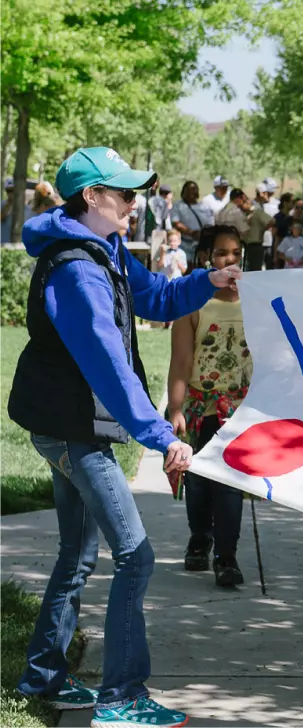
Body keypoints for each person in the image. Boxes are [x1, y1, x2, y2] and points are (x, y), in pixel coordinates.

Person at [8, 147, 240, 727]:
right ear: (93, 197)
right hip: (72, 433)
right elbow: (108, 366)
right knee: (135, 555)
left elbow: (156, 298)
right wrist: (163, 437)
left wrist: (208, 279)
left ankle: (44, 676)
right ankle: (121, 698)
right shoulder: (77, 271)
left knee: (77, 554)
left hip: (69, 426)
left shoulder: (104, 249)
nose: (136, 204)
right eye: (126, 194)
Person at [166, 226, 252, 588]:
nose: (229, 260)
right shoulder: (194, 302)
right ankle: (200, 536)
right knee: (199, 480)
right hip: (201, 404)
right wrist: (175, 407)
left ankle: (227, 557)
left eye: (235, 253)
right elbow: (181, 360)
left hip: (241, 406)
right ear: (206, 258)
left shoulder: (257, 299)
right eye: (221, 254)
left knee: (231, 482)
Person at [171, 180, 213, 265]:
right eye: (189, 190)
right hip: (184, 245)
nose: (192, 192)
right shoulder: (178, 205)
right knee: (187, 267)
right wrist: (192, 233)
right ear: (183, 192)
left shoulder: (204, 206)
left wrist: (204, 234)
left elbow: (211, 224)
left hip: (201, 244)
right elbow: (176, 223)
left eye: (194, 189)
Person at [244, 186, 275, 272]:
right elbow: (271, 221)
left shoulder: (260, 207)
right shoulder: (256, 208)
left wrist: (263, 229)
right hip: (251, 243)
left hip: (255, 242)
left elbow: (271, 221)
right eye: (266, 193)